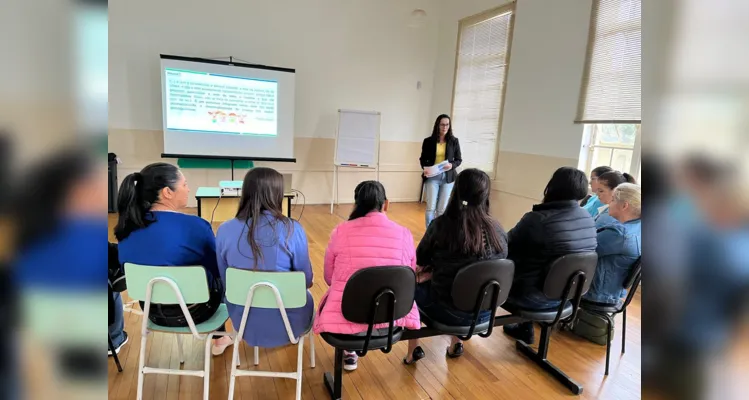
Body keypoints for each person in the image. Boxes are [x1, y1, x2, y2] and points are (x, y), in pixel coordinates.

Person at [114, 163, 230, 353]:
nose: (188, 189)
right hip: (198, 312)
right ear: (167, 192)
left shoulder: (127, 227)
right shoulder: (196, 226)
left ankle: (221, 337)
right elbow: (218, 271)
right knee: (222, 274)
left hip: (152, 311)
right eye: (185, 184)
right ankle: (221, 337)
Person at [403, 169, 508, 364]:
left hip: (447, 310)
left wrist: (432, 273)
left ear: (455, 191)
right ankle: (456, 343)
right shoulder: (498, 230)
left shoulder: (441, 225)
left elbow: (420, 259)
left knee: (411, 284)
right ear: (486, 195)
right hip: (486, 310)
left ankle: (413, 349)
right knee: (465, 285)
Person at [313, 181, 420, 371]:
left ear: (356, 204)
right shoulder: (404, 234)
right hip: (392, 320)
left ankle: (350, 352)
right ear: (386, 204)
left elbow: (329, 278)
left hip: (347, 322)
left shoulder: (340, 231)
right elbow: (409, 277)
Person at [216, 168, 314, 352]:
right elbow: (306, 281)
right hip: (289, 322)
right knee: (306, 296)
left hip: (243, 320)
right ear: (277, 194)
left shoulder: (224, 230)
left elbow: (225, 281)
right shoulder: (292, 229)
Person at [502, 167, 597, 344]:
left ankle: (521, 326)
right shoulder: (588, 218)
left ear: (552, 187)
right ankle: (525, 328)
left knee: (512, 265)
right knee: (538, 263)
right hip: (569, 295)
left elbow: (504, 247)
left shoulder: (537, 219)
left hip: (532, 297)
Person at [583, 183, 642, 304]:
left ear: (624, 205)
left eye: (613, 199)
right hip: (614, 291)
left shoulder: (619, 234)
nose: (609, 203)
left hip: (596, 293)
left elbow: (583, 250)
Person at [420, 114, 463, 228]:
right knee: (431, 207)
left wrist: (451, 165)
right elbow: (422, 159)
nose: (445, 127)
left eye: (447, 124)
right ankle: (429, 232)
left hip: (448, 178)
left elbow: (459, 160)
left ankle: (438, 232)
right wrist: (425, 169)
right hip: (432, 177)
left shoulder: (454, 141)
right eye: (442, 124)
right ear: (437, 125)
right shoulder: (428, 141)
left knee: (442, 209)